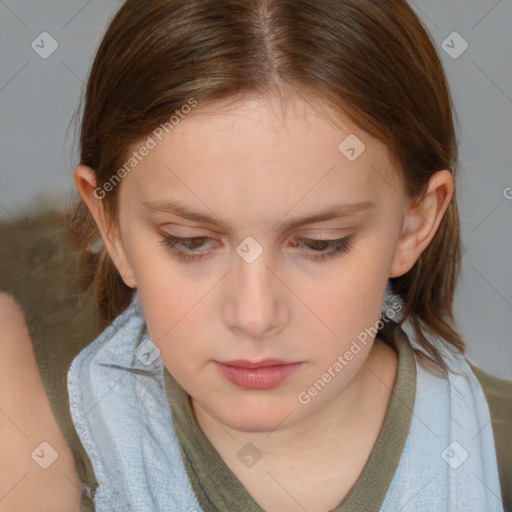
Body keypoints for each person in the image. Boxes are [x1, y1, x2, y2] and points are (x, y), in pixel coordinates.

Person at [1, 0, 510, 510]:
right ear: (109, 225)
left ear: (415, 224)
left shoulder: (494, 459)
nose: (254, 315)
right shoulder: (40, 431)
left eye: (320, 244)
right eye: (190, 241)